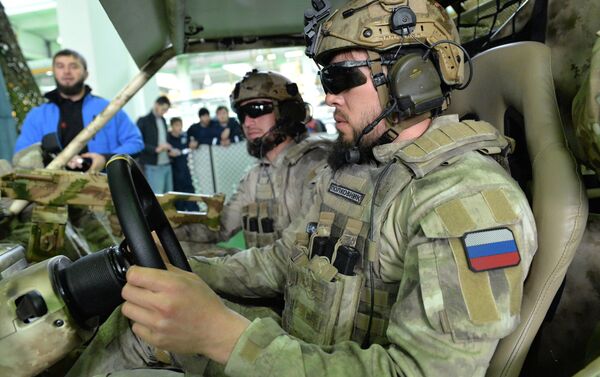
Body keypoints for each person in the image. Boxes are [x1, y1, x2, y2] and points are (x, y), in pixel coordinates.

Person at [67, 1, 537, 376]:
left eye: (340, 78)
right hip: (302, 345)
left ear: (412, 76)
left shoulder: (467, 201)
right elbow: (284, 261)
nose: (328, 96)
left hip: (313, 357)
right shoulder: (358, 168)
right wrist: (189, 271)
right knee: (136, 319)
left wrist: (220, 336)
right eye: (323, 78)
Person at [175, 69, 330, 253]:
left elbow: (295, 254)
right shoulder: (256, 175)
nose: (247, 123)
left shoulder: (318, 166)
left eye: (256, 110)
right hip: (265, 275)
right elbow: (222, 226)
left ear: (286, 113)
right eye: (242, 114)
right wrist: (167, 233)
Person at [13, 49, 143, 172]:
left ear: (86, 74)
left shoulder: (108, 108)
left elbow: (135, 143)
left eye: (74, 66)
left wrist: (105, 158)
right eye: (60, 66)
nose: (67, 71)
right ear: (54, 72)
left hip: (103, 186)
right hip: (52, 188)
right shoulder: (37, 115)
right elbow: (22, 152)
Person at [137, 96, 174, 194]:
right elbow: (138, 143)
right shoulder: (143, 121)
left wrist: (169, 148)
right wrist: (155, 149)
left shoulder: (163, 120)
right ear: (156, 105)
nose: (164, 112)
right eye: (163, 109)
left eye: (166, 110)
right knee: (157, 197)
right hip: (153, 165)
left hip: (166, 163)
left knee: (169, 196)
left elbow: (163, 139)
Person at [166, 117, 198, 212]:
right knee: (178, 195)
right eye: (176, 125)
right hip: (174, 171)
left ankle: (194, 213)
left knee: (189, 191)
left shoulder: (184, 136)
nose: (179, 127)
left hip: (185, 169)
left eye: (180, 125)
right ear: (172, 126)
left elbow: (191, 144)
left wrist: (194, 143)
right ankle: (179, 213)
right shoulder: (168, 138)